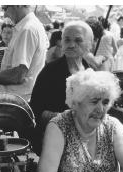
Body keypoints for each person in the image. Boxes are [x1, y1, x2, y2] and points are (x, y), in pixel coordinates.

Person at [29, 21, 94, 155]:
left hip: (84, 143)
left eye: (78, 40)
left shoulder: (91, 72)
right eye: (67, 40)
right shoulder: (50, 72)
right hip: (55, 141)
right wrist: (69, 118)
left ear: (89, 44)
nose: (71, 45)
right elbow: (35, 111)